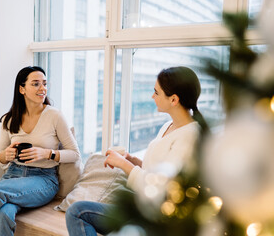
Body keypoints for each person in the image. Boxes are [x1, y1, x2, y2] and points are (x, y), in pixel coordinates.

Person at [65, 66, 209, 236]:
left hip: (156, 218)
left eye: (156, 92)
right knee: (76, 211)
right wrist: (133, 160)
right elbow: (156, 169)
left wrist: (123, 164)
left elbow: (163, 189)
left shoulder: (190, 136)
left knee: (78, 213)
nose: (152, 96)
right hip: (142, 207)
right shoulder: (168, 126)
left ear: (174, 99)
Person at [0, 66, 80, 236]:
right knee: (4, 215)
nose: (42, 88)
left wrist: (47, 153)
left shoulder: (55, 116)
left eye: (44, 83)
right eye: (36, 84)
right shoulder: (10, 119)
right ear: (22, 89)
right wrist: (5, 155)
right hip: (12, 176)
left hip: (43, 179)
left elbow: (75, 154)